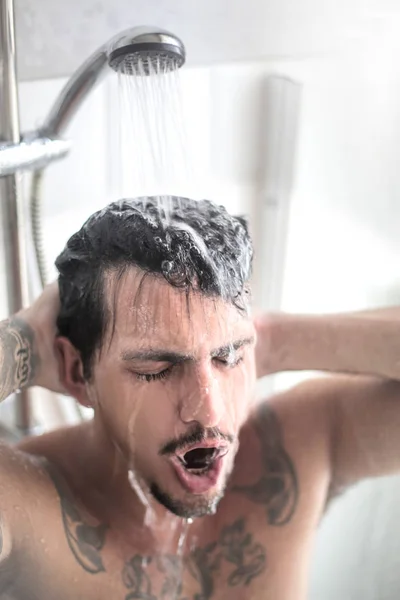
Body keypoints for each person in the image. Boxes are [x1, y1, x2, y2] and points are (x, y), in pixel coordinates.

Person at [0, 195, 399, 600]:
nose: (210, 409)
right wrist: (23, 346)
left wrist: (273, 339)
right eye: (157, 369)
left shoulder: (300, 443)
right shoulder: (25, 503)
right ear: (76, 372)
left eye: (229, 358)